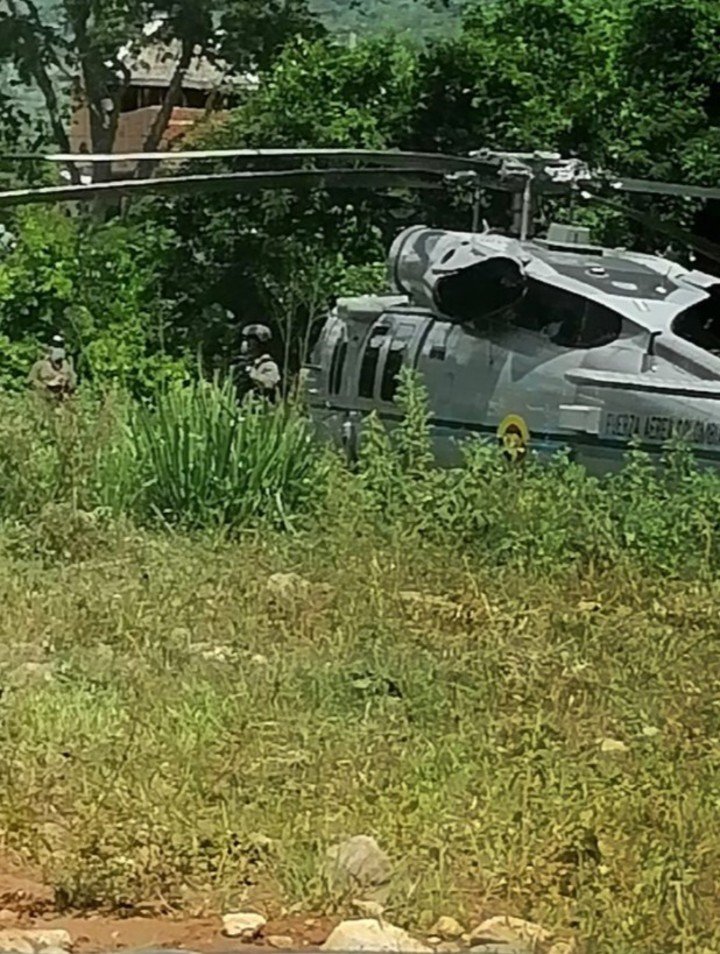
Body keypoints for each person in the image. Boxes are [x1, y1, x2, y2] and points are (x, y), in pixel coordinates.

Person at [231, 324, 281, 401]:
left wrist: (252, 374)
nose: (246, 345)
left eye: (251, 342)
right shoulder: (245, 363)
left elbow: (268, 384)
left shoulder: (269, 365)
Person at [28, 334, 77, 402]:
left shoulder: (66, 365)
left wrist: (65, 382)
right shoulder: (40, 365)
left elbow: (73, 382)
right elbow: (30, 381)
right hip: (43, 398)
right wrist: (46, 386)